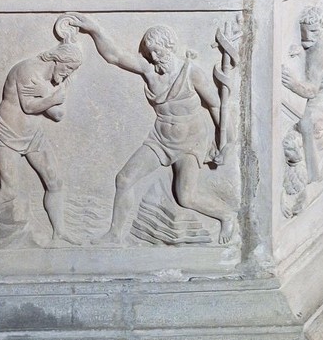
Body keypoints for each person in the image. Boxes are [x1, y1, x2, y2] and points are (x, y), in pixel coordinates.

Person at [72, 16, 236, 246]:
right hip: (160, 139)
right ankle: (115, 235)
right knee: (124, 178)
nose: (155, 57)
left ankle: (226, 215)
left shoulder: (191, 72)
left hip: (191, 141)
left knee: (186, 197)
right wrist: (94, 29)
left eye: (158, 51)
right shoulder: (149, 71)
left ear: (170, 46)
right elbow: (115, 56)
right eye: (151, 53)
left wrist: (229, 142)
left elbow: (216, 105)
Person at [0, 40, 83, 246]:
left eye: (72, 70)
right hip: (7, 132)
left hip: (32, 135)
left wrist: (48, 94)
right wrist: (52, 97)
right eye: (68, 67)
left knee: (55, 182)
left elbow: (58, 114)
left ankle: (59, 232)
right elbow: (29, 107)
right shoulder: (28, 71)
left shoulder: (52, 81)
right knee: (8, 190)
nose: (68, 73)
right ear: (58, 59)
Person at [281, 4, 323, 182]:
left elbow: (312, 90)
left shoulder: (322, 48)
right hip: (316, 85)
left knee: (309, 122)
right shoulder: (315, 39)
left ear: (321, 29)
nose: (309, 37)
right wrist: (302, 53)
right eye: (305, 31)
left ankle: (315, 175)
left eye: (314, 31)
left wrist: (293, 83)